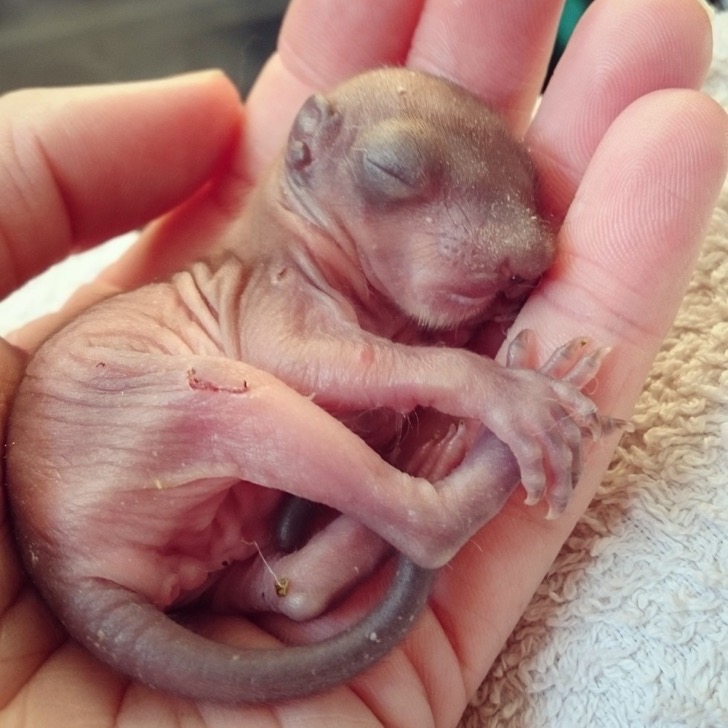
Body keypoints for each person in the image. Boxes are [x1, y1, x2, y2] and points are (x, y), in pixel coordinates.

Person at [0, 0, 725, 725]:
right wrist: (479, 383)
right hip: (101, 490)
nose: (494, 253)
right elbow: (312, 364)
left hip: (192, 551)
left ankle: (294, 586)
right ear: (309, 151)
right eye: (396, 170)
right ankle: (427, 511)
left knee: (292, 523)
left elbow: (338, 400)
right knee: (218, 392)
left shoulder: (356, 305)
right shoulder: (271, 284)